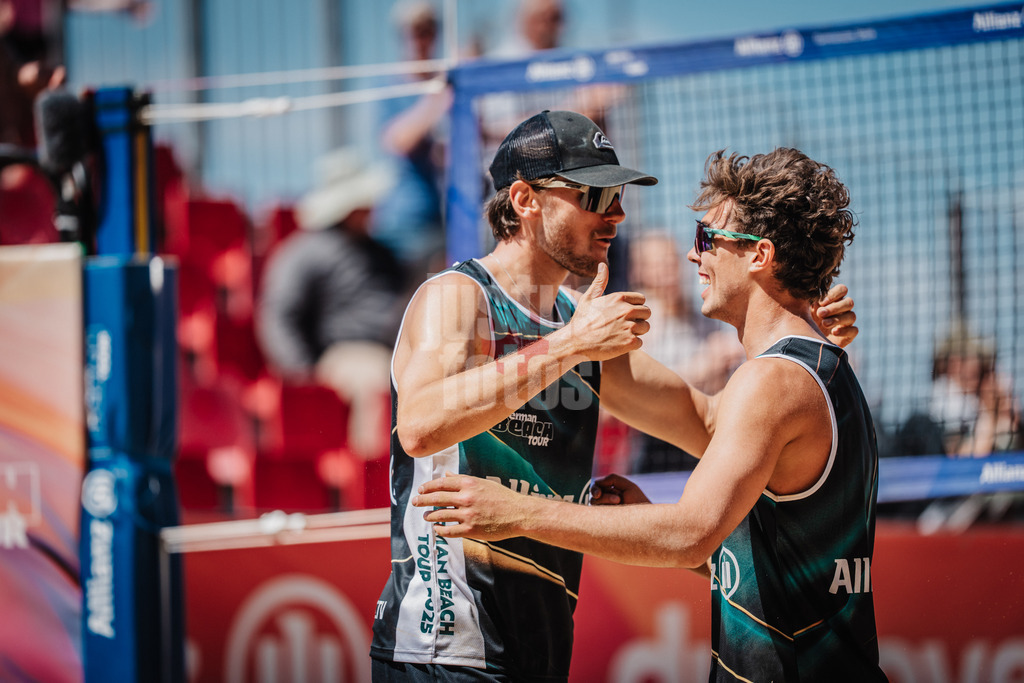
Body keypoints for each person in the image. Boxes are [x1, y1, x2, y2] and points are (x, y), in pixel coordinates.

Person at [370, 110, 860, 681]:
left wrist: (800, 336)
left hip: (538, 650)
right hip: (442, 648)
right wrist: (566, 348)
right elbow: (421, 426)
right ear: (526, 200)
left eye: (619, 196)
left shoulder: (580, 324)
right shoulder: (459, 298)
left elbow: (708, 425)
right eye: (595, 197)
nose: (618, 215)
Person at [256, 148, 406, 462]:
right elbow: (279, 314)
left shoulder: (380, 251)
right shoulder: (303, 252)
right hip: (345, 356)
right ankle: (374, 477)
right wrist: (303, 374)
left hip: (397, 352)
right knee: (378, 383)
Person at [373, 0, 450, 283]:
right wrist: (442, 96)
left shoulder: (442, 90)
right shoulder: (391, 88)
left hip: (443, 219)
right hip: (405, 224)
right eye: (416, 30)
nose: (423, 38)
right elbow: (398, 140)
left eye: (429, 29)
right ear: (404, 34)